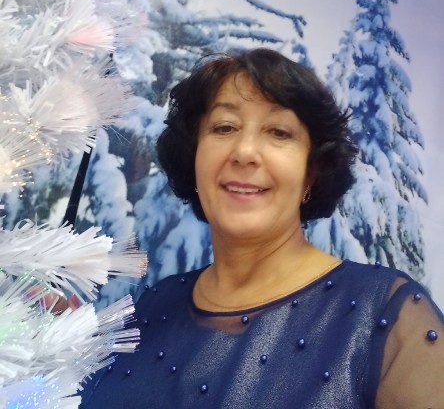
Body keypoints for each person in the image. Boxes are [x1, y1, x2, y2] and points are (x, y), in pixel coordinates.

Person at [82, 48, 444, 408]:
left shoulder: (384, 316)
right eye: (224, 127)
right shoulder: (153, 306)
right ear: (194, 158)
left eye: (279, 132)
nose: (244, 151)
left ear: (312, 171)